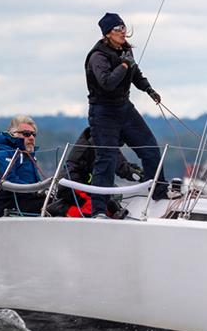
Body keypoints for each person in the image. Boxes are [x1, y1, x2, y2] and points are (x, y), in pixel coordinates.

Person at [86, 12, 179, 219]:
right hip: (103, 112)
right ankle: (98, 210)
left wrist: (148, 89)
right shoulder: (97, 56)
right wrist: (124, 65)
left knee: (150, 149)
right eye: (118, 29)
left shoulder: (125, 51)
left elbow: (134, 73)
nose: (123, 32)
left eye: (123, 28)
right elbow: (108, 83)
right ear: (107, 34)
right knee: (106, 159)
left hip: (124, 109)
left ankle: (159, 192)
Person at [46, 127, 144, 218]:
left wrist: (141, 171)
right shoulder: (101, 140)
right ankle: (58, 209)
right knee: (93, 209)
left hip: (85, 184)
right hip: (73, 185)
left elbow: (122, 162)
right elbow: (121, 167)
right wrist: (142, 178)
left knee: (111, 206)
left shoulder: (101, 137)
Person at [0, 115, 44, 217]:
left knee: (59, 202)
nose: (32, 138)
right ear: (13, 134)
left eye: (34, 134)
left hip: (27, 202)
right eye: (26, 134)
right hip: (6, 207)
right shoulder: (1, 152)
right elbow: (10, 180)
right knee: (54, 206)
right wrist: (37, 192)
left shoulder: (28, 156)